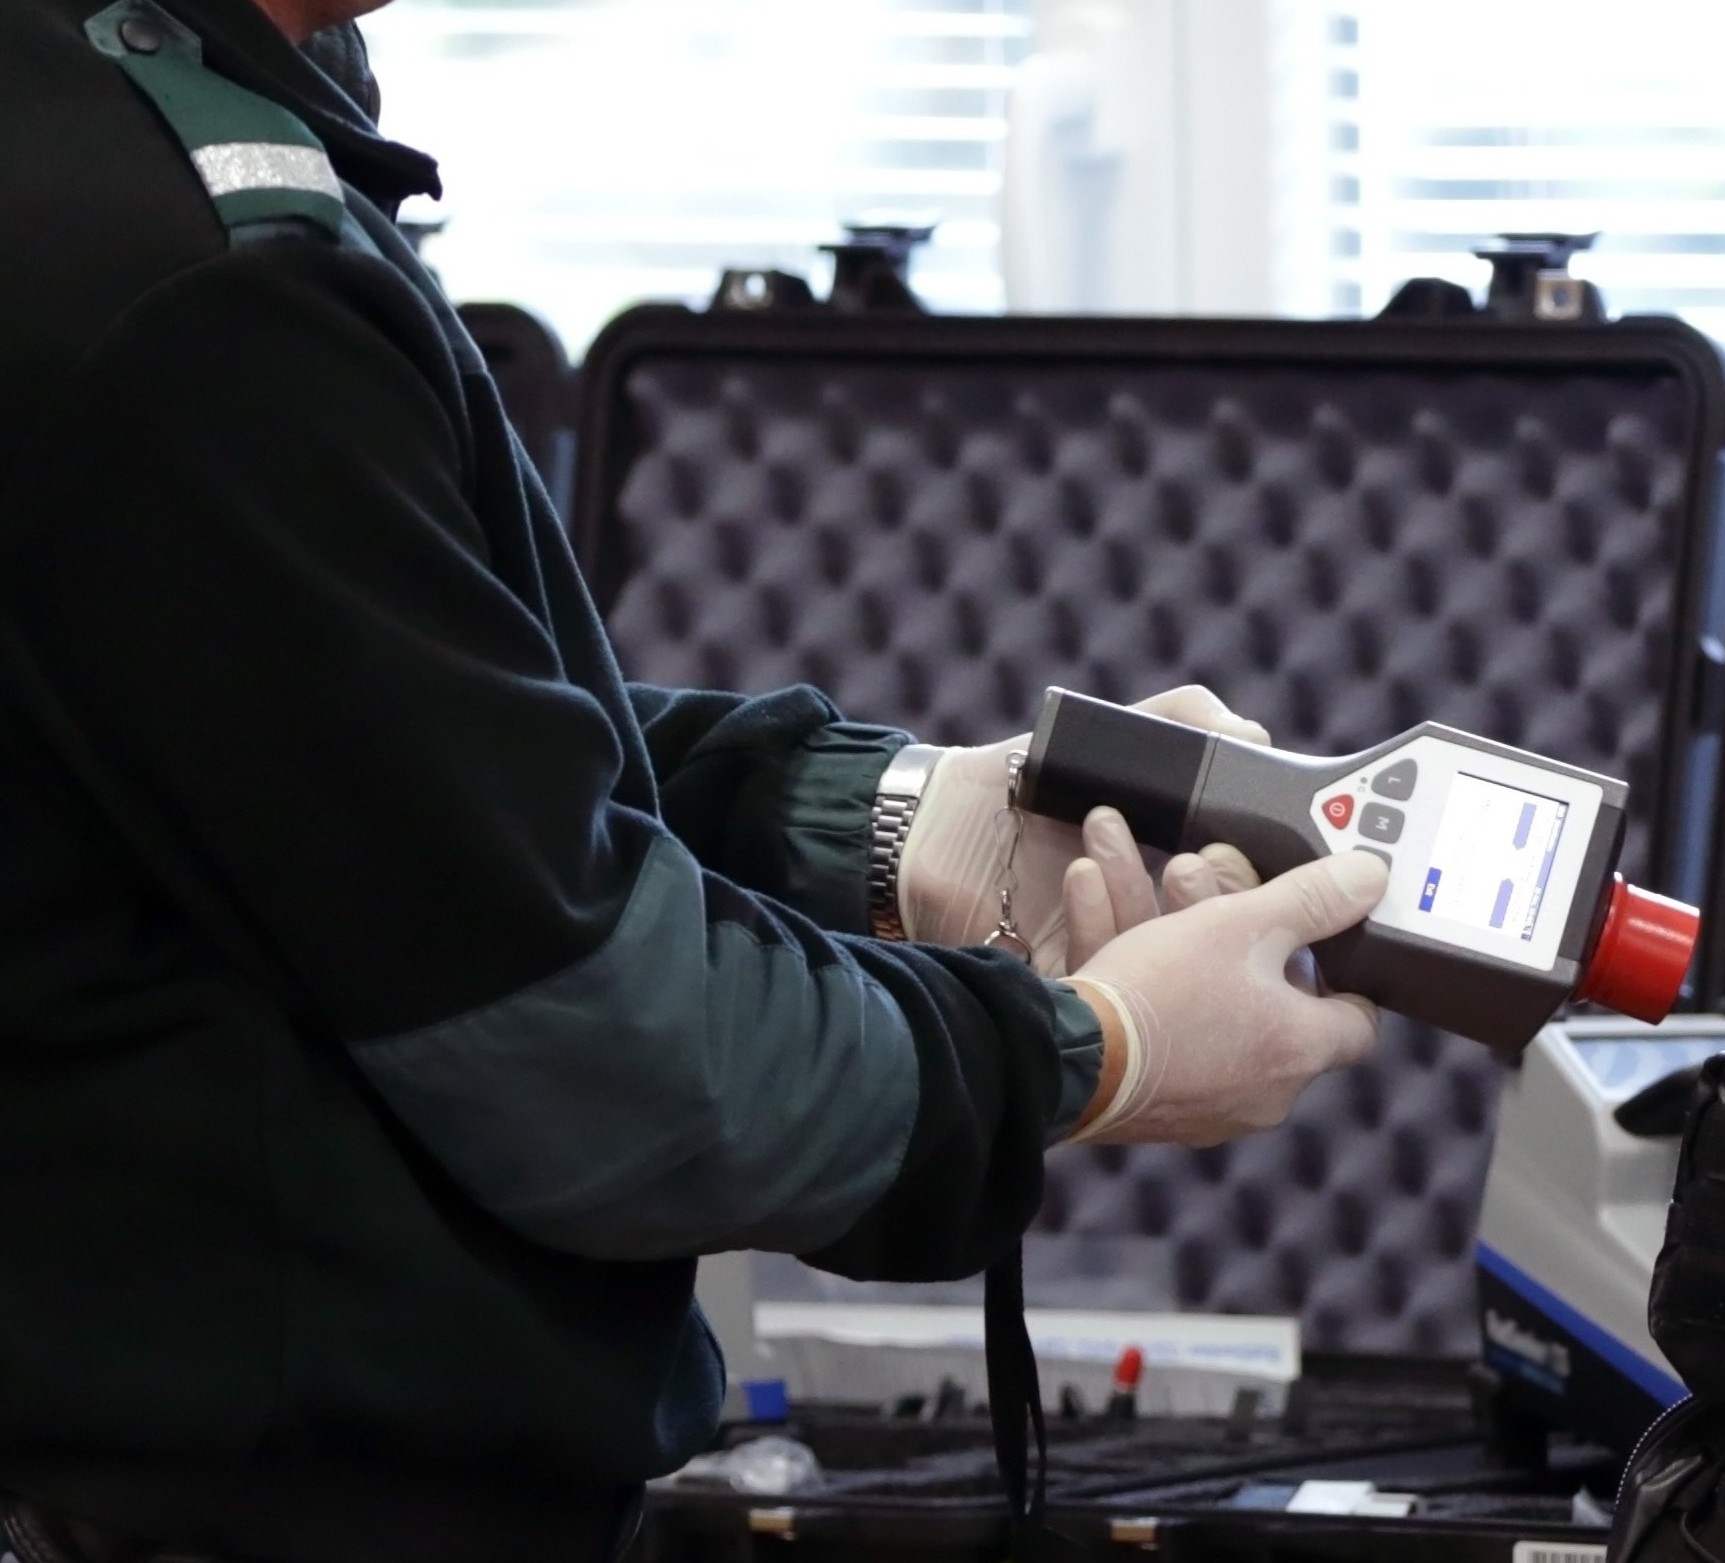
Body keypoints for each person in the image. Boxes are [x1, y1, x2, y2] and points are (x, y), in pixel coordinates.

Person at [0, 2, 1390, 1561]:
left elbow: (363, 742)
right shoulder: (191, 270)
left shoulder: (131, 133)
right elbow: (592, 1055)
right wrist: (1090, 1051)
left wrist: (887, 811)